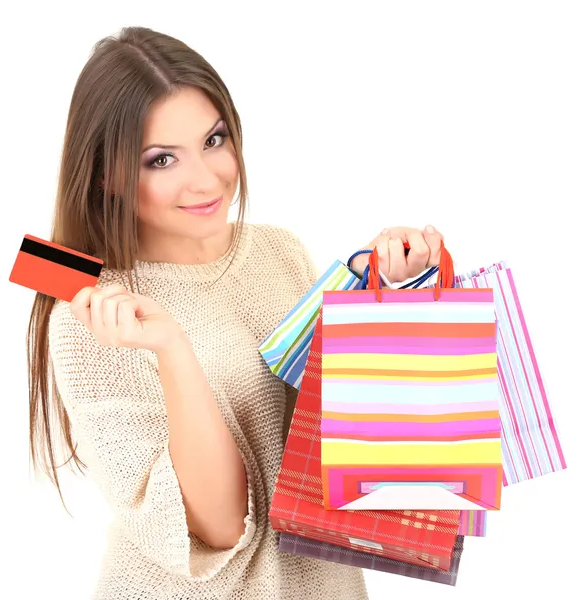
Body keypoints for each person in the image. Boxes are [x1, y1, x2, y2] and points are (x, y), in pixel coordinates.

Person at [27, 26, 446, 600]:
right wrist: (172, 348)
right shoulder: (90, 323)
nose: (206, 179)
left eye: (215, 139)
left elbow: (339, 434)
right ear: (107, 175)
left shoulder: (280, 251)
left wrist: (387, 294)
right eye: (162, 159)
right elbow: (219, 527)